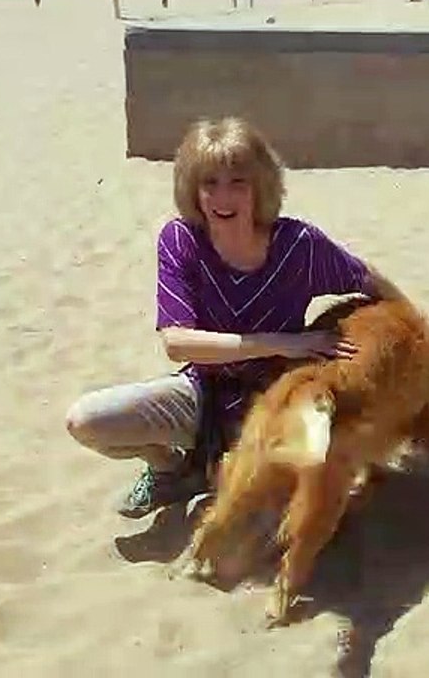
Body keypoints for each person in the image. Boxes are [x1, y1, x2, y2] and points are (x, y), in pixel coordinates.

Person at [65, 117, 408, 518]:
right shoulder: (181, 241)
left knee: (271, 512)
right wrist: (281, 342)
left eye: (237, 183)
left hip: (276, 399)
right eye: (209, 183)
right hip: (204, 392)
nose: (222, 198)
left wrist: (415, 332)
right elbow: (177, 343)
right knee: (86, 420)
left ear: (259, 186)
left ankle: (225, 469)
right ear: (192, 189)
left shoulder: (298, 245)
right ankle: (171, 469)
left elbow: (366, 278)